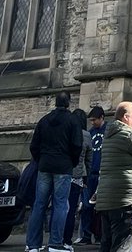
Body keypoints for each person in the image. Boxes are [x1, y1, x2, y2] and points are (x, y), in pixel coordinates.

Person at [27, 90, 85, 252]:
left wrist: (41, 160)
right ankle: (55, 243)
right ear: (68, 103)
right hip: (63, 167)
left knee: (39, 205)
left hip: (45, 165)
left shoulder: (44, 120)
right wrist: (71, 162)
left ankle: (33, 245)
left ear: (55, 103)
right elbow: (77, 145)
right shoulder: (73, 121)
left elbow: (34, 146)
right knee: (60, 205)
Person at [94, 101, 132, 252]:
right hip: (126, 201)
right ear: (127, 117)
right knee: (123, 246)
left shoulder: (110, 135)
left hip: (108, 201)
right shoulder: (129, 134)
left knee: (108, 245)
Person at [78, 106, 108, 244]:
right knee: (87, 206)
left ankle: (101, 235)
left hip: (104, 173)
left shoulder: (108, 131)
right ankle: (86, 235)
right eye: (90, 120)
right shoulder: (89, 133)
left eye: (94, 120)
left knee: (103, 207)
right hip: (91, 174)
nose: (92, 123)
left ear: (102, 117)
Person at [65, 109, 93, 248]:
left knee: (59, 207)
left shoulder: (66, 131)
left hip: (62, 173)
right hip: (77, 176)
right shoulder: (86, 135)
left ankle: (56, 238)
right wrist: (86, 177)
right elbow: (89, 159)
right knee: (71, 210)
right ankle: (66, 241)